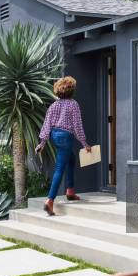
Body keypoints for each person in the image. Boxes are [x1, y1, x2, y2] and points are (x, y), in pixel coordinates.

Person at [35, 76, 91, 216]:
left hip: (55, 136)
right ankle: (50, 200)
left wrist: (42, 143)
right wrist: (85, 144)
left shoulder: (54, 105)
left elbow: (47, 124)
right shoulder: (73, 104)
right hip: (66, 137)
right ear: (72, 90)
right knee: (60, 168)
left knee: (71, 159)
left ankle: (70, 191)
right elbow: (77, 126)